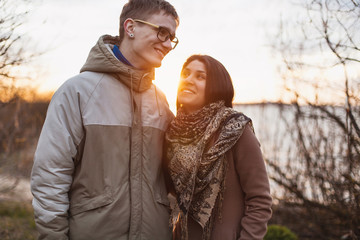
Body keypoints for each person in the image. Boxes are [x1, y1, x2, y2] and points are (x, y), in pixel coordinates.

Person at [30, 0, 179, 239]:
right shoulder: (77, 92)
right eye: (162, 32)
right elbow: (50, 176)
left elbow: (178, 172)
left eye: (172, 37)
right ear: (130, 27)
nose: (169, 44)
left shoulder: (161, 101)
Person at [164, 55, 272, 240]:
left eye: (200, 76)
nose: (188, 80)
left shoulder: (235, 129)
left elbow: (259, 200)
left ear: (216, 85)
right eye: (186, 73)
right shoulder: (172, 134)